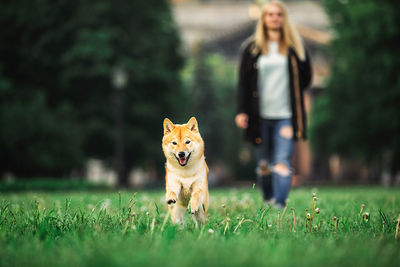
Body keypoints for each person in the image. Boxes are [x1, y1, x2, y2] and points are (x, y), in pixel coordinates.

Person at [235, 0, 312, 208]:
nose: (275, 18)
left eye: (278, 14)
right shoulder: (250, 49)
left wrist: (292, 94)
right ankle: (269, 198)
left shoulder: (295, 48)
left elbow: (306, 78)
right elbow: (243, 83)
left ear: (284, 18)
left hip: (286, 115)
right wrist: (242, 111)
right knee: (264, 165)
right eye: (270, 14)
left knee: (282, 160)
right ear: (263, 19)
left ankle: (279, 203)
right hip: (258, 115)